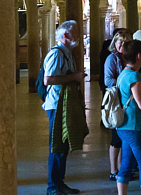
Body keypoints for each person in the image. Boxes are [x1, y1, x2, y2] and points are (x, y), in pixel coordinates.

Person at [43, 19, 83, 195]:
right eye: (76, 32)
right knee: (57, 146)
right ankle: (53, 186)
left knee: (63, 145)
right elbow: (48, 79)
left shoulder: (67, 53)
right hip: (56, 105)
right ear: (66, 35)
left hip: (64, 103)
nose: (79, 35)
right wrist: (73, 77)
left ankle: (59, 183)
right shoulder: (57, 53)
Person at [115, 40, 141, 195]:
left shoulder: (123, 74)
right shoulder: (134, 76)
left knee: (127, 163)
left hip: (124, 126)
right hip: (135, 126)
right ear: (139, 56)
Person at [103, 33, 127, 179]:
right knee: (116, 136)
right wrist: (124, 79)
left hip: (127, 99)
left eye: (125, 43)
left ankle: (122, 168)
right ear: (115, 43)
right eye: (120, 43)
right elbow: (107, 80)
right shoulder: (111, 58)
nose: (122, 46)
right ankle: (113, 170)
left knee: (124, 135)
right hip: (117, 100)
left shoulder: (129, 57)